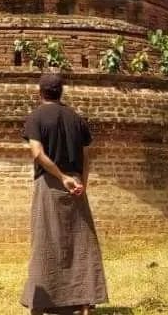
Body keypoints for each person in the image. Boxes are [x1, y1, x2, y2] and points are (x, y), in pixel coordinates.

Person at [20, 73, 108, 315]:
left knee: (45, 242)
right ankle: (84, 304)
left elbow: (37, 153)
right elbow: (87, 156)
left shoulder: (36, 117)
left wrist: (61, 178)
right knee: (80, 244)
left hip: (50, 183)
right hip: (76, 184)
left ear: (40, 93)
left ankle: (40, 305)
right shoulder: (75, 118)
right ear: (61, 92)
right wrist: (81, 182)